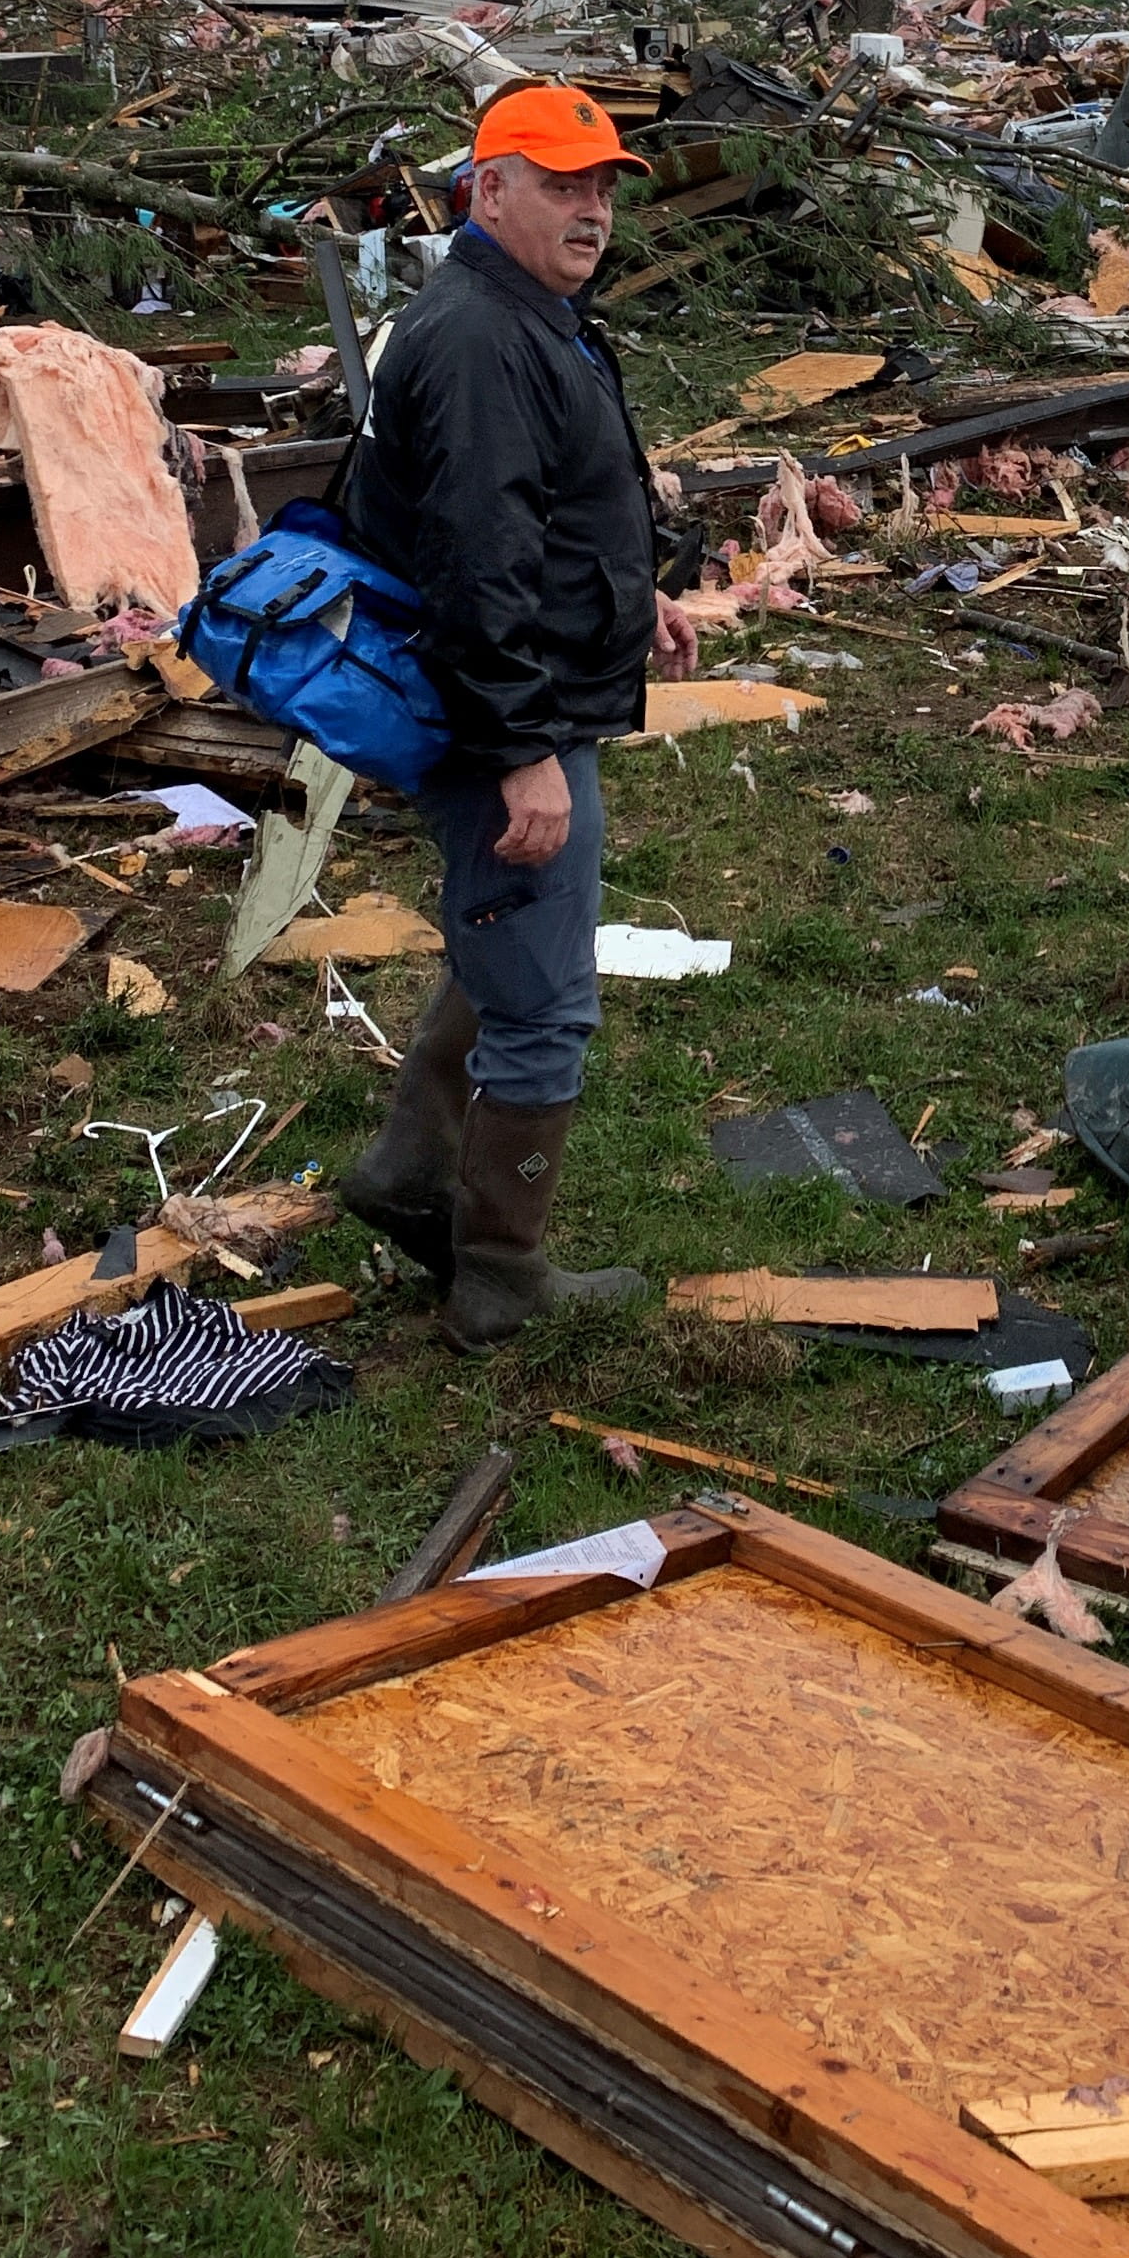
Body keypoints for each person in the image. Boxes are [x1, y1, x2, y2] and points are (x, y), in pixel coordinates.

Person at [333, 82, 699, 1346]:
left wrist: (629, 599)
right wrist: (522, 754)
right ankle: (498, 1279)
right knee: (546, 1001)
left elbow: (542, 517)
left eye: (602, 185)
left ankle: (407, 1174)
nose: (592, 208)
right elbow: (478, 567)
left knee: (509, 953)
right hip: (501, 714)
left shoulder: (525, 310)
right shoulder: (486, 338)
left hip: (527, 688)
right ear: (487, 191)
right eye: (560, 183)